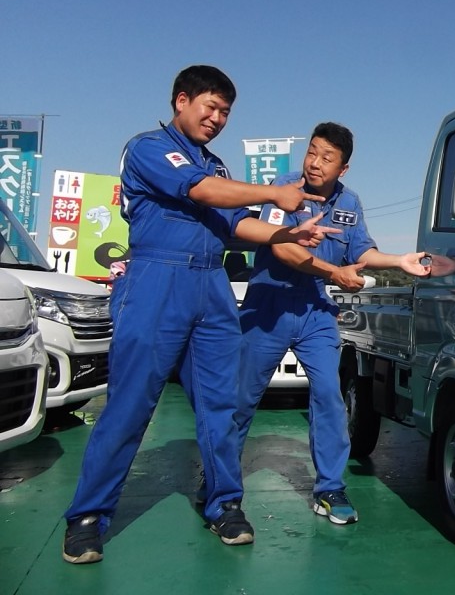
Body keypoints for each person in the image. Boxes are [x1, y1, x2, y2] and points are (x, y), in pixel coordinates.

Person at [62, 65, 336, 565]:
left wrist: (287, 235)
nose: (217, 119)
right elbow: (201, 191)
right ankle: (87, 517)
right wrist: (275, 192)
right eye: (209, 107)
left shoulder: (220, 168)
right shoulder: (148, 148)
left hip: (210, 286)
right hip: (154, 282)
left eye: (225, 112)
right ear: (181, 101)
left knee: (221, 405)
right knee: (130, 405)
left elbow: (237, 224)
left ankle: (225, 504)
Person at [235, 121, 429, 525]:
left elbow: (362, 251)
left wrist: (399, 261)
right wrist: (332, 272)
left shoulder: (350, 203)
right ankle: (221, 486)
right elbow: (282, 247)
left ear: (343, 168)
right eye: (312, 152)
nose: (315, 163)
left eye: (327, 158)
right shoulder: (284, 189)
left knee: (328, 395)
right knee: (242, 399)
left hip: (315, 310)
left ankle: (328, 489)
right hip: (269, 304)